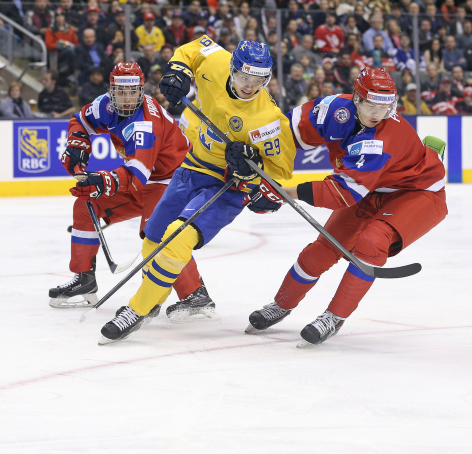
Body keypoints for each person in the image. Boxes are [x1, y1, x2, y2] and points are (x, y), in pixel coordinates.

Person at [97, 38, 296, 344]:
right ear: (232, 68)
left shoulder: (267, 119)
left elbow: (279, 171)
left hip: (227, 186)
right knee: (153, 238)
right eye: (244, 77)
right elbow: (192, 50)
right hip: (192, 167)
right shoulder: (217, 62)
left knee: (177, 237)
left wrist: (251, 163)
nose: (250, 85)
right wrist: (179, 72)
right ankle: (157, 300)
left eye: (259, 80)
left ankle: (137, 309)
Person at [245, 67, 448, 346]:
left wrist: (282, 192)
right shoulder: (331, 109)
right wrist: (252, 148)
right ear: (355, 98)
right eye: (371, 104)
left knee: (372, 241)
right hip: (371, 186)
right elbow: (284, 131)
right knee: (323, 248)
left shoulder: (384, 139)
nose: (377, 113)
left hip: (418, 192)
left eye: (385, 106)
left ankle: (333, 316)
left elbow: (343, 193)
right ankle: (281, 304)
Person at [48, 62, 208, 313]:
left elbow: (136, 176)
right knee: (86, 205)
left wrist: (102, 181)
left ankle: (195, 295)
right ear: (112, 89)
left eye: (132, 91)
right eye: (121, 91)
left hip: (174, 179)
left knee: (157, 232)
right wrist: (77, 141)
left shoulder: (147, 122)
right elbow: (80, 120)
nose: (126, 97)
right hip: (147, 178)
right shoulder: (104, 105)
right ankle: (84, 280)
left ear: (141, 90)